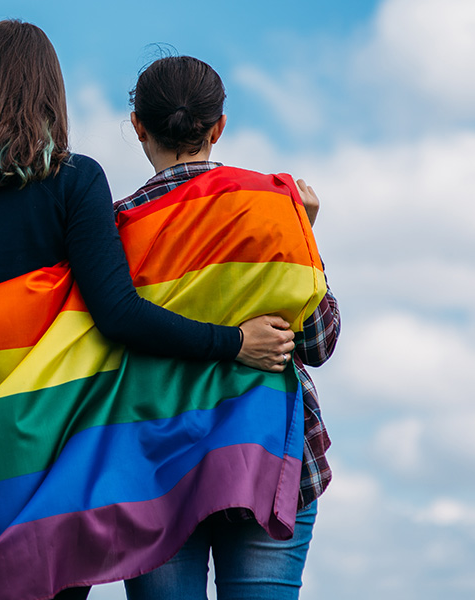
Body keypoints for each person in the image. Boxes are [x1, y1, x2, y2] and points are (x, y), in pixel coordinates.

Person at [0, 22, 299, 600]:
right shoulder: (73, 180)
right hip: (52, 451)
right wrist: (232, 343)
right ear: (52, 93)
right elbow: (118, 315)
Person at [113, 56, 341, 600]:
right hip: (265, 453)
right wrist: (300, 238)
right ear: (218, 127)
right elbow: (317, 342)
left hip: (156, 465)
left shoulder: (114, 228)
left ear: (138, 126)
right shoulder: (271, 208)